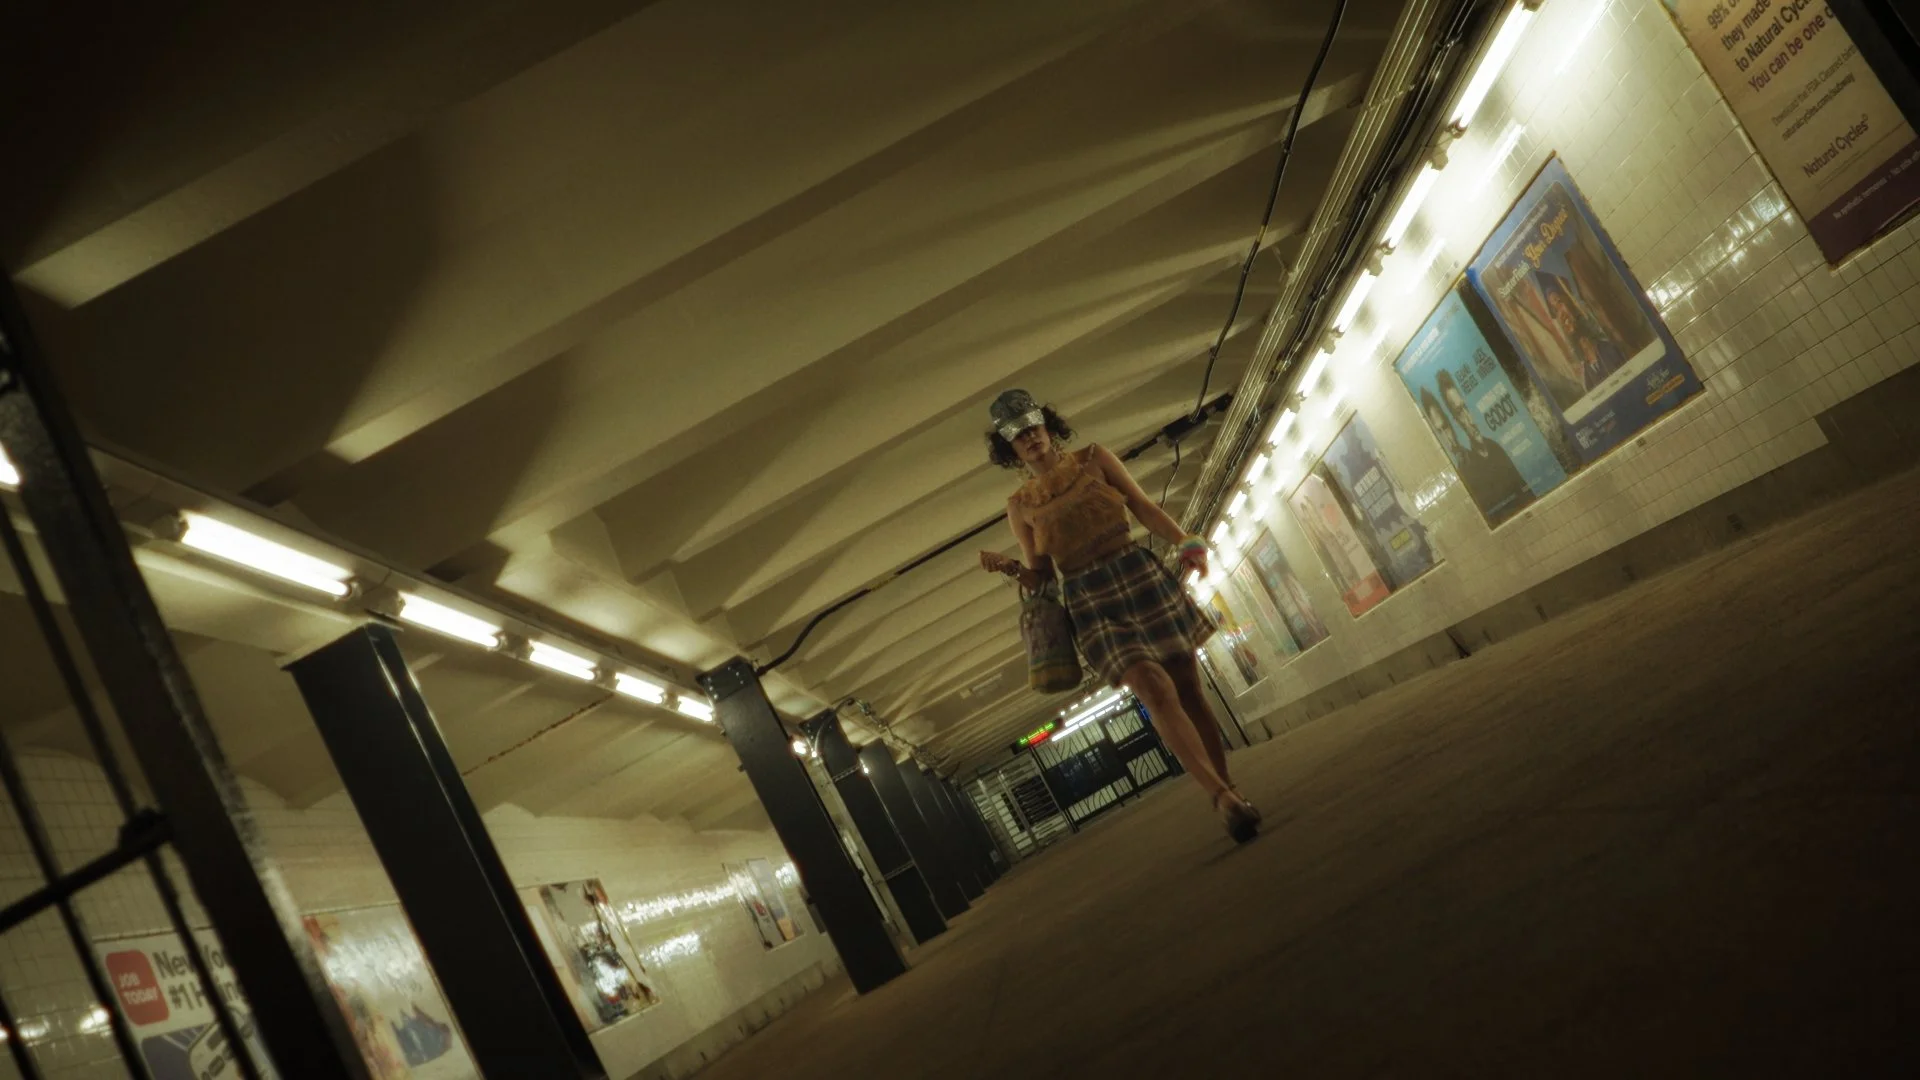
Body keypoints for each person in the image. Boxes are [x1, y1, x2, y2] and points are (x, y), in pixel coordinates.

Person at [977, 389, 1260, 842]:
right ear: (1009, 449)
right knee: (1152, 686)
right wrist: (1011, 567)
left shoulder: (1094, 458)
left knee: (1188, 688)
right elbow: (1042, 578)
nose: (1029, 438)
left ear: (1048, 427)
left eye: (1033, 427)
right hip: (1090, 599)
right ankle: (1221, 798)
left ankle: (1229, 788)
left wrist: (1186, 541)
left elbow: (1142, 506)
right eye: (1018, 436)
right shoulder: (1021, 506)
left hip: (1137, 572)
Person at [1432, 372, 1533, 521]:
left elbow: (1527, 492)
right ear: (1455, 420)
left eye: (1465, 407)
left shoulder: (1495, 448)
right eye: (1460, 412)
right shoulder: (1467, 469)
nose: (1470, 420)